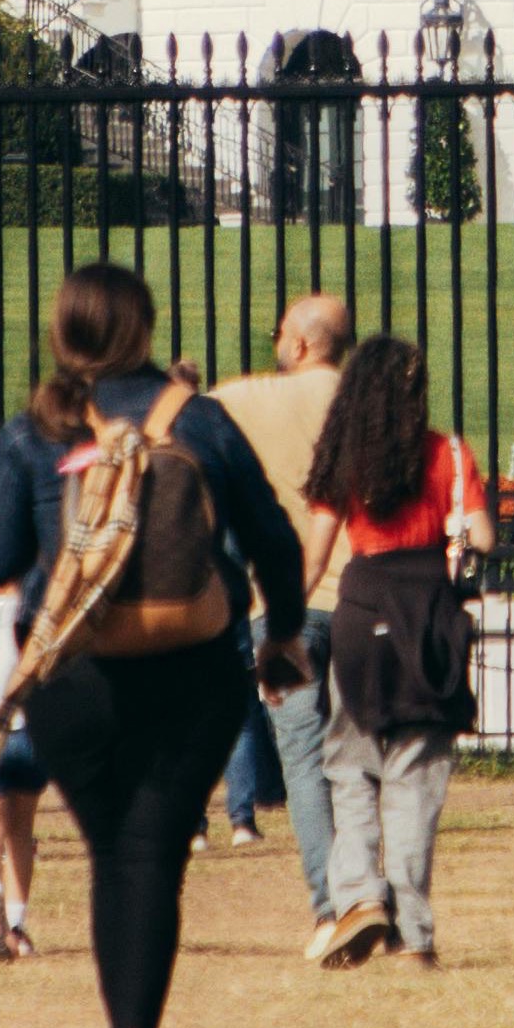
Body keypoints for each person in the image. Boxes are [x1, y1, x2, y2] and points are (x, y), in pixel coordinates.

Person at [0, 264, 302, 1028]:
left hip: (74, 676)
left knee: (113, 852)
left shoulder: (35, 431)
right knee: (152, 854)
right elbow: (274, 540)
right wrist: (283, 632)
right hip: (194, 670)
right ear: (146, 329)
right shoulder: (202, 419)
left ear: (61, 333)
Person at [301, 337, 468, 961]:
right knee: (415, 775)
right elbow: (478, 532)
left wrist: (286, 631)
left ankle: (359, 897)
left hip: (361, 607)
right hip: (427, 610)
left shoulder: (346, 459)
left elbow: (316, 556)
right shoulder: (447, 453)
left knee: (349, 766)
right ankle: (415, 932)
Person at [191, 293, 354, 899]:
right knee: (360, 759)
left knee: (304, 760)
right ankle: (366, 884)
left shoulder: (251, 399)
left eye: (278, 334)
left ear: (301, 344)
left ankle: (332, 901)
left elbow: (181, 417)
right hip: (365, 601)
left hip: (283, 608)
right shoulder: (366, 401)